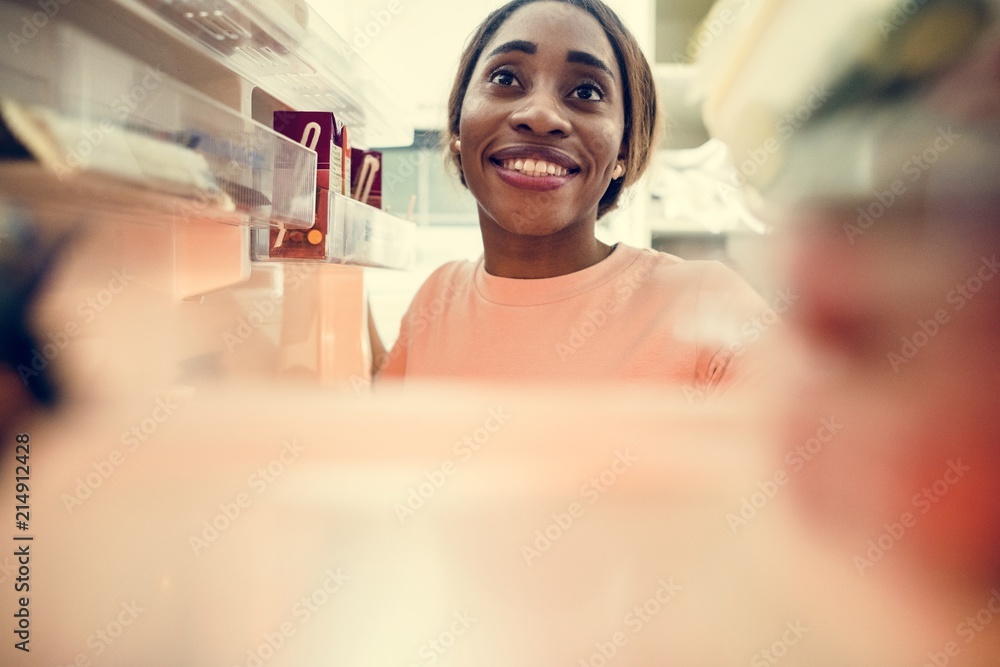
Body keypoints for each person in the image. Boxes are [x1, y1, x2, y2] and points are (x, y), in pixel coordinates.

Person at [372, 0, 773, 398]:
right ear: (457, 121)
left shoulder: (707, 303)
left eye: (586, 90)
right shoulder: (437, 297)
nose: (541, 114)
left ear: (624, 150)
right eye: (507, 79)